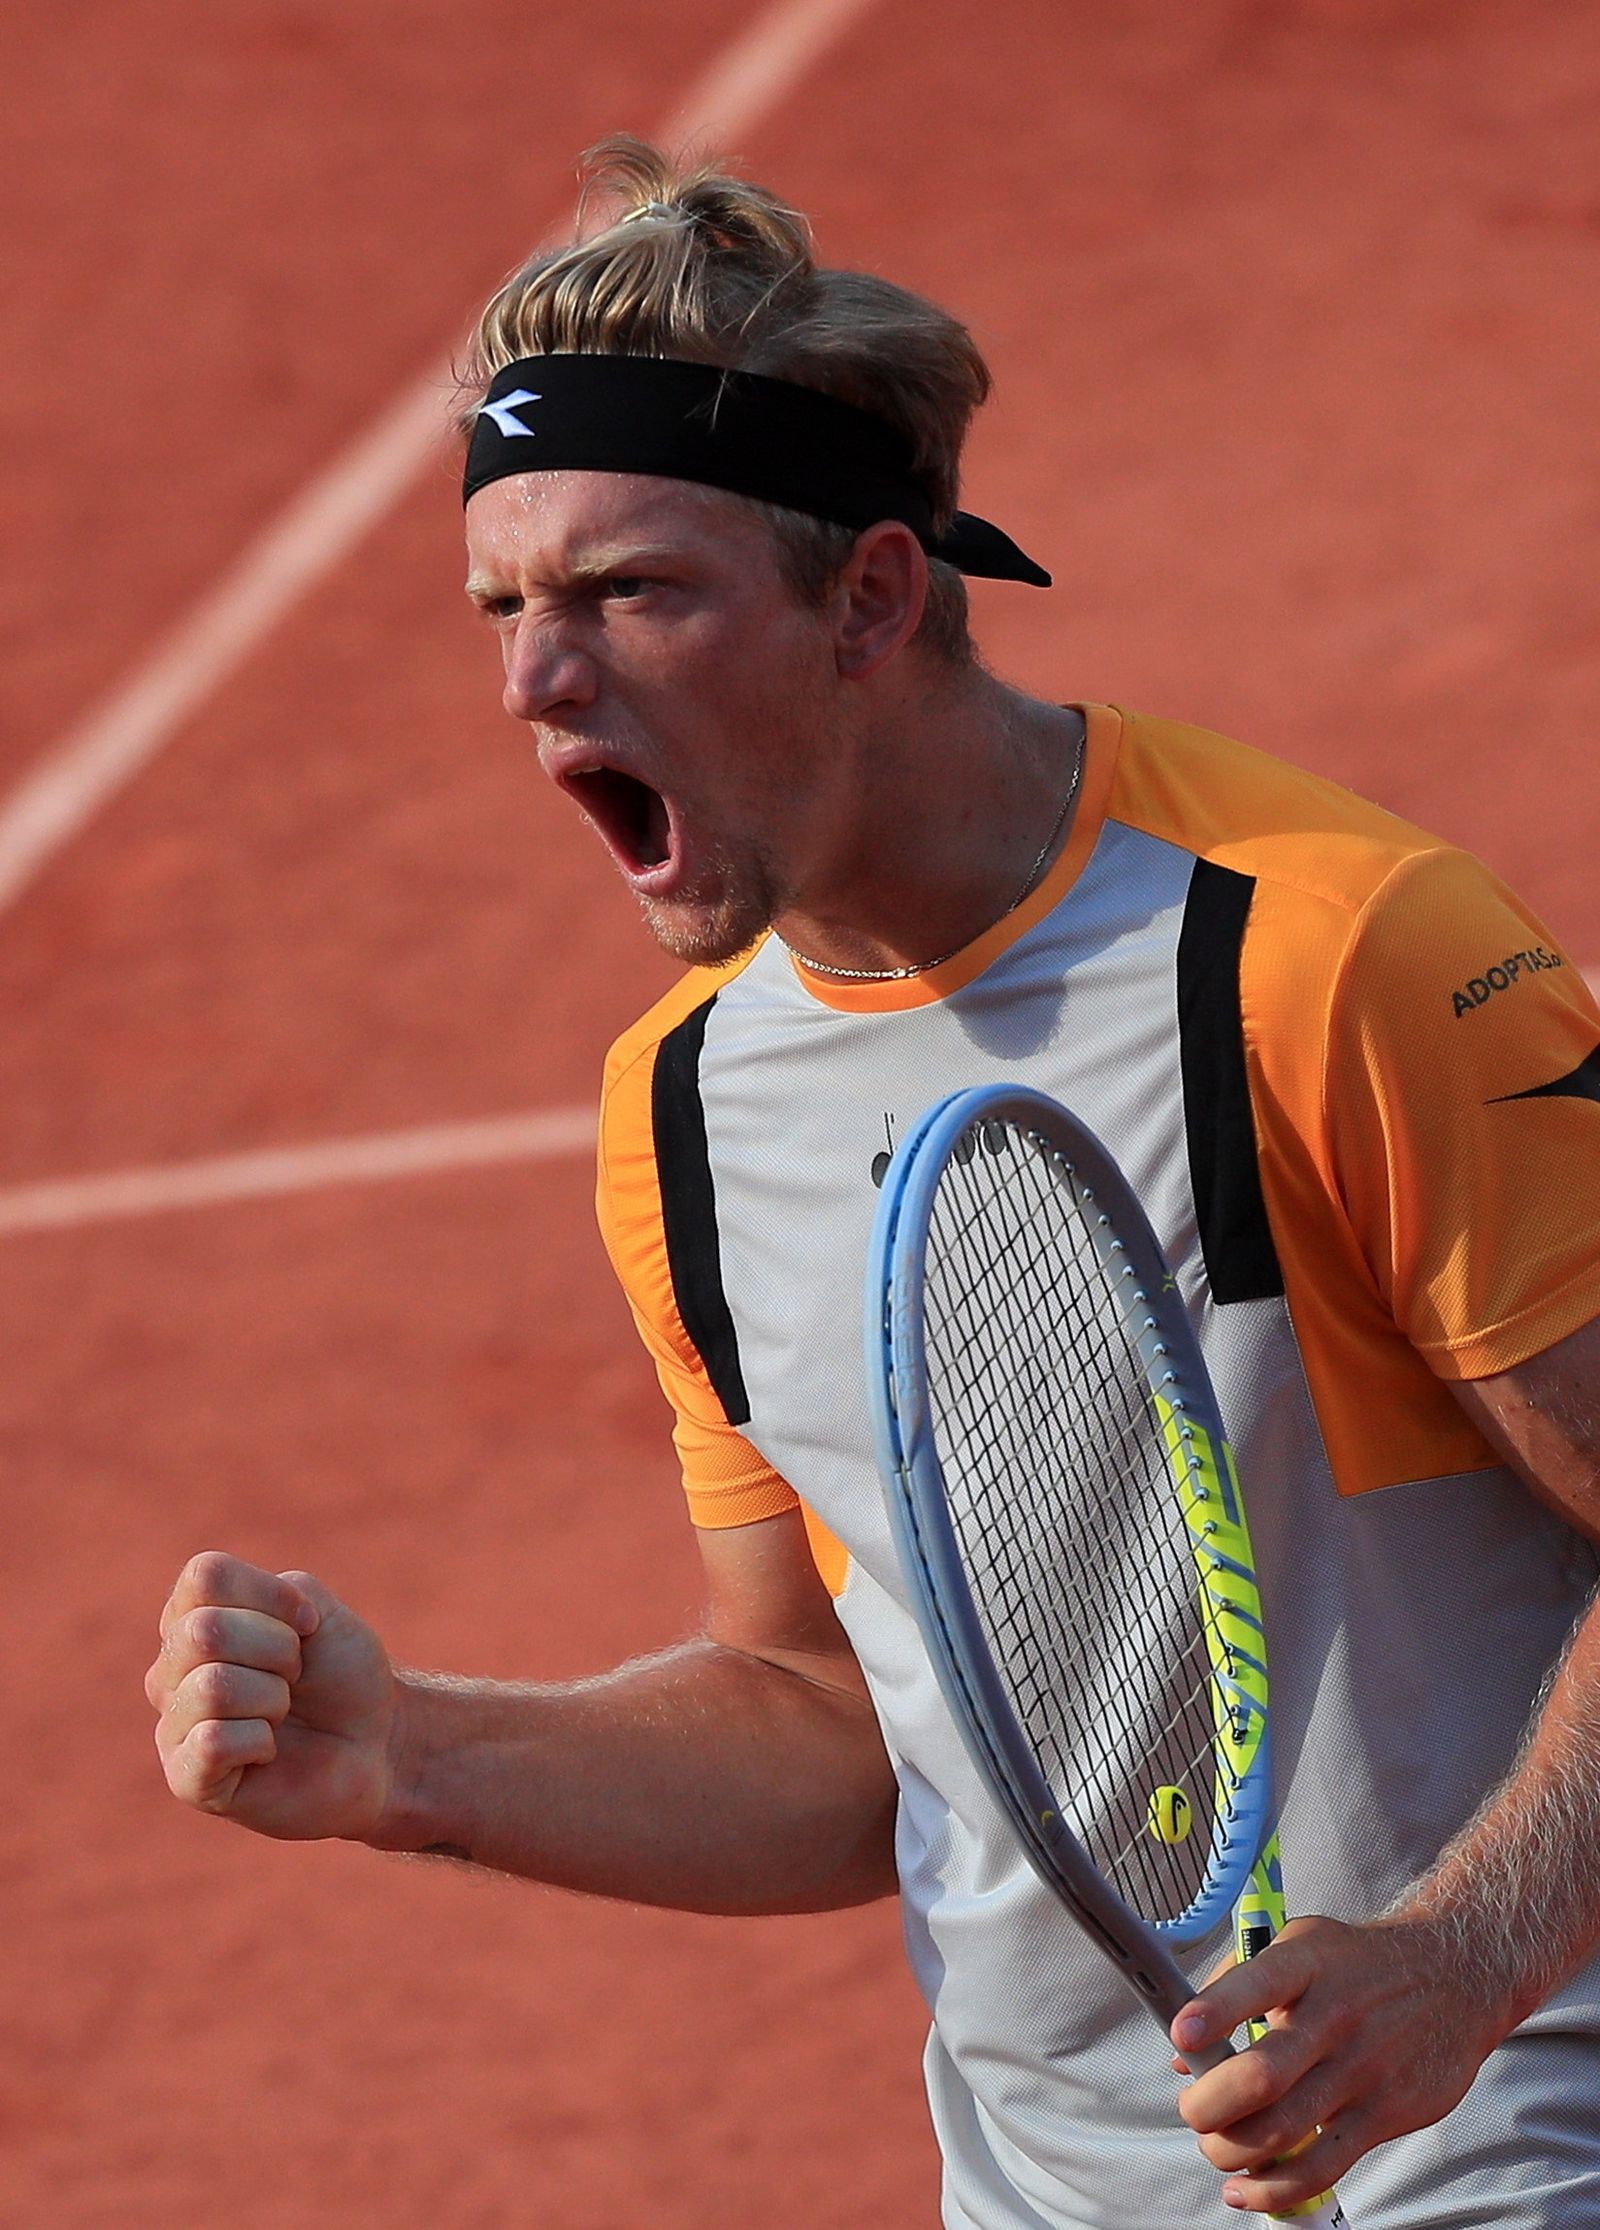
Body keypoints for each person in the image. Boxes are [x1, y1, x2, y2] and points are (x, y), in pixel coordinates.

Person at [145, 139, 1600, 2229]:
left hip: (1498, 2150)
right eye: (503, 605)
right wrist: (416, 1757)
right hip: (1053, 2188)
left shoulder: (1309, 953)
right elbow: (832, 1715)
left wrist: (1459, 1960)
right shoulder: (683, 1111)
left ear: (874, 598)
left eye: (629, 592)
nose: (531, 684)